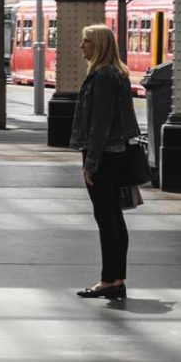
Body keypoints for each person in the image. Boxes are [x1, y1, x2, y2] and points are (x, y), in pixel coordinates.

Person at [69, 24, 141, 300]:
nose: (82, 46)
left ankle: (108, 280)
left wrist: (91, 163)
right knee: (114, 217)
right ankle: (116, 278)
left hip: (104, 156)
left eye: (86, 41)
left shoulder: (102, 77)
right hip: (117, 153)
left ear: (98, 45)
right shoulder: (117, 74)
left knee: (106, 218)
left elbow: (100, 125)